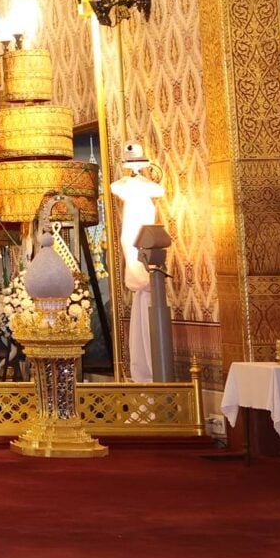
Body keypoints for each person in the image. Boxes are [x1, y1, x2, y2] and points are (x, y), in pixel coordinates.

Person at [111, 143, 164, 382]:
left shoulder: (149, 188)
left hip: (145, 246)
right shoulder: (121, 186)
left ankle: (152, 378)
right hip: (133, 243)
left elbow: (158, 190)